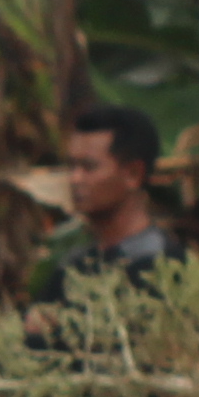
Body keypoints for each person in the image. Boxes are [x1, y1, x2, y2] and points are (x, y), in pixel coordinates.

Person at [54, 102, 178, 280]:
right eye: (71, 166)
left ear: (133, 174)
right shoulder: (74, 269)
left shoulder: (165, 269)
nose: (75, 179)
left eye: (89, 167)